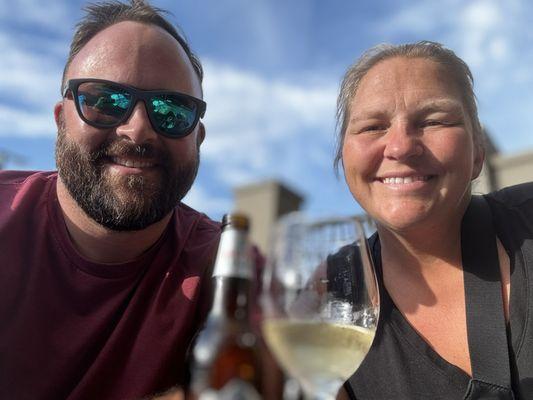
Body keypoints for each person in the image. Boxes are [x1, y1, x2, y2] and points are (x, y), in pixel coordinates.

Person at [0, 1, 221, 399]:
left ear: (197, 138)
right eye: (104, 100)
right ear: (60, 119)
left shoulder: (227, 266)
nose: (137, 132)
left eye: (171, 111)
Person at [334, 41, 533, 399]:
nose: (400, 146)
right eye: (372, 127)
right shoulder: (327, 296)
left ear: (478, 153)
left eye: (433, 121)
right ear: (342, 157)